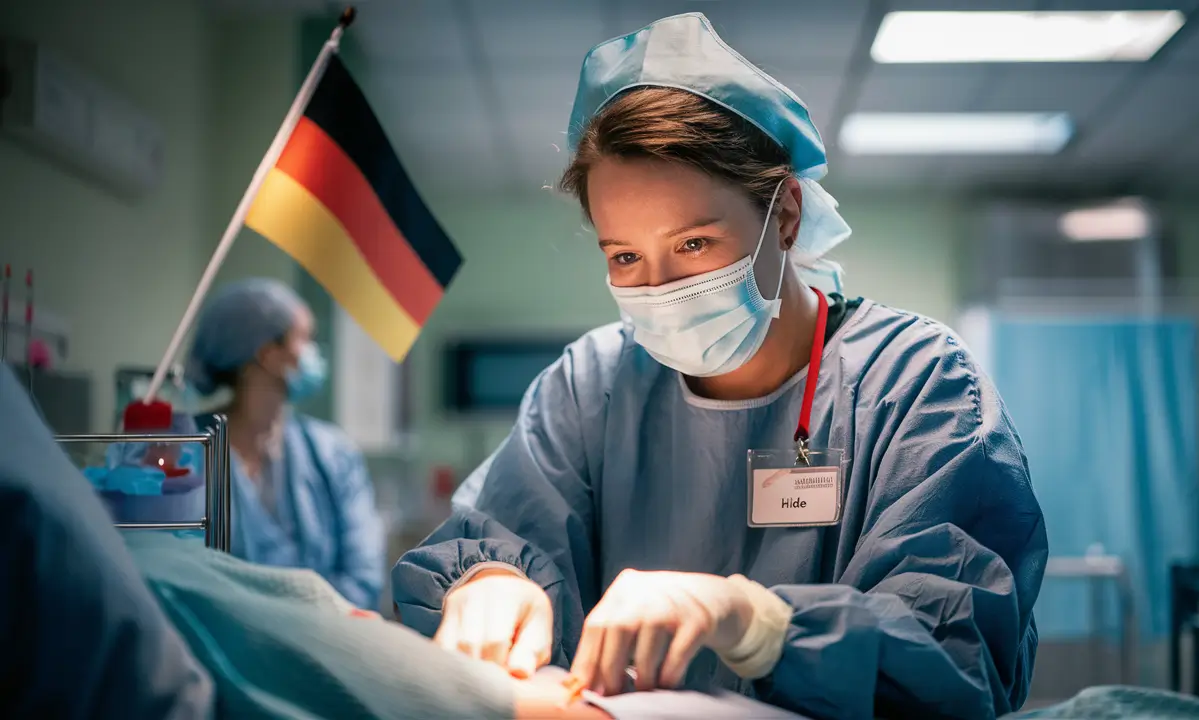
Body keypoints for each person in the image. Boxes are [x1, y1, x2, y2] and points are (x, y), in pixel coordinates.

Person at [393, 12, 1047, 720]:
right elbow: (501, 535)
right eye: (625, 257)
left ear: (786, 215)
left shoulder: (915, 383)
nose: (661, 286)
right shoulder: (593, 388)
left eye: (695, 244)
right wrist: (488, 580)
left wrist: (757, 624)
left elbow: (955, 653)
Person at [186, 277, 385, 610]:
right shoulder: (187, 450)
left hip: (325, 644)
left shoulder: (331, 454)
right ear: (268, 354)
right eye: (304, 339)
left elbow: (363, 579)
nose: (313, 354)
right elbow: (180, 577)